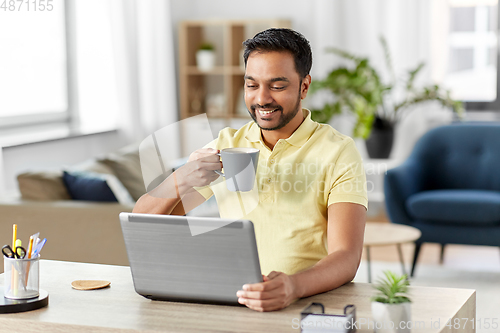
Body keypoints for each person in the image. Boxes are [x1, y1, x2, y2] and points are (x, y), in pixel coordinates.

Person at [134, 28, 367, 312]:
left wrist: (293, 286)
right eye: (252, 85)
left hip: (303, 303)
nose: (262, 99)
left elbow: (347, 256)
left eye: (277, 86)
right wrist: (181, 178)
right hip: (234, 299)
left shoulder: (338, 151)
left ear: (304, 87)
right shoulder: (228, 144)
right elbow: (141, 224)